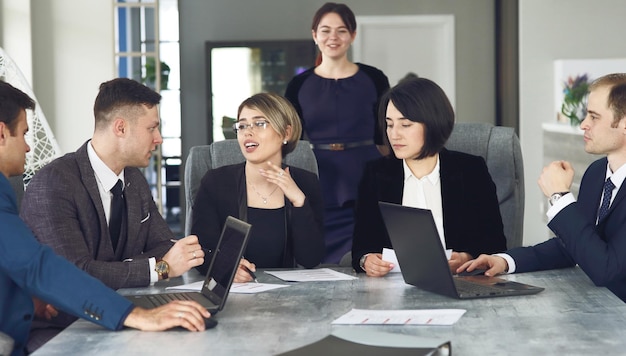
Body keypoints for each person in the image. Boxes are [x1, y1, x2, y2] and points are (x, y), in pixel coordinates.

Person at [0, 80, 211, 356]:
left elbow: (165, 246)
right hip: (63, 327)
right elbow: (53, 269)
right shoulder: (53, 182)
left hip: (106, 313)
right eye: (152, 128)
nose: (28, 148)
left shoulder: (133, 179)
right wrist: (156, 275)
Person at [459, 73, 626, 302]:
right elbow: (575, 245)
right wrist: (504, 261)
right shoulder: (597, 173)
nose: (583, 125)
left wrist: (560, 198)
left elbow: (607, 270)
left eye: (594, 117)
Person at [352, 77, 507, 276]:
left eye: (405, 125)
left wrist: (466, 258)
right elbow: (361, 247)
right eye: (389, 124)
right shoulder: (376, 174)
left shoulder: (470, 171)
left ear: (433, 123)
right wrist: (367, 261)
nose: (394, 134)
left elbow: (495, 244)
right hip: (393, 287)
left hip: (458, 282)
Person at [284, 2, 390, 264]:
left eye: (341, 31)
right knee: (320, 254)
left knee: (370, 244)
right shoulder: (299, 84)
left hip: (366, 168)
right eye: (326, 30)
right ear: (315, 35)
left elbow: (385, 131)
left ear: (352, 35)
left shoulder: (374, 77)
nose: (333, 37)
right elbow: (290, 136)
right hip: (318, 171)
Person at [190, 93, 325, 282]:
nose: (247, 132)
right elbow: (201, 250)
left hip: (289, 296)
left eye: (259, 124)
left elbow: (311, 259)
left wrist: (298, 201)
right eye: (242, 125)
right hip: (233, 293)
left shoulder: (305, 183)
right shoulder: (216, 182)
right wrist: (225, 266)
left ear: (286, 133)